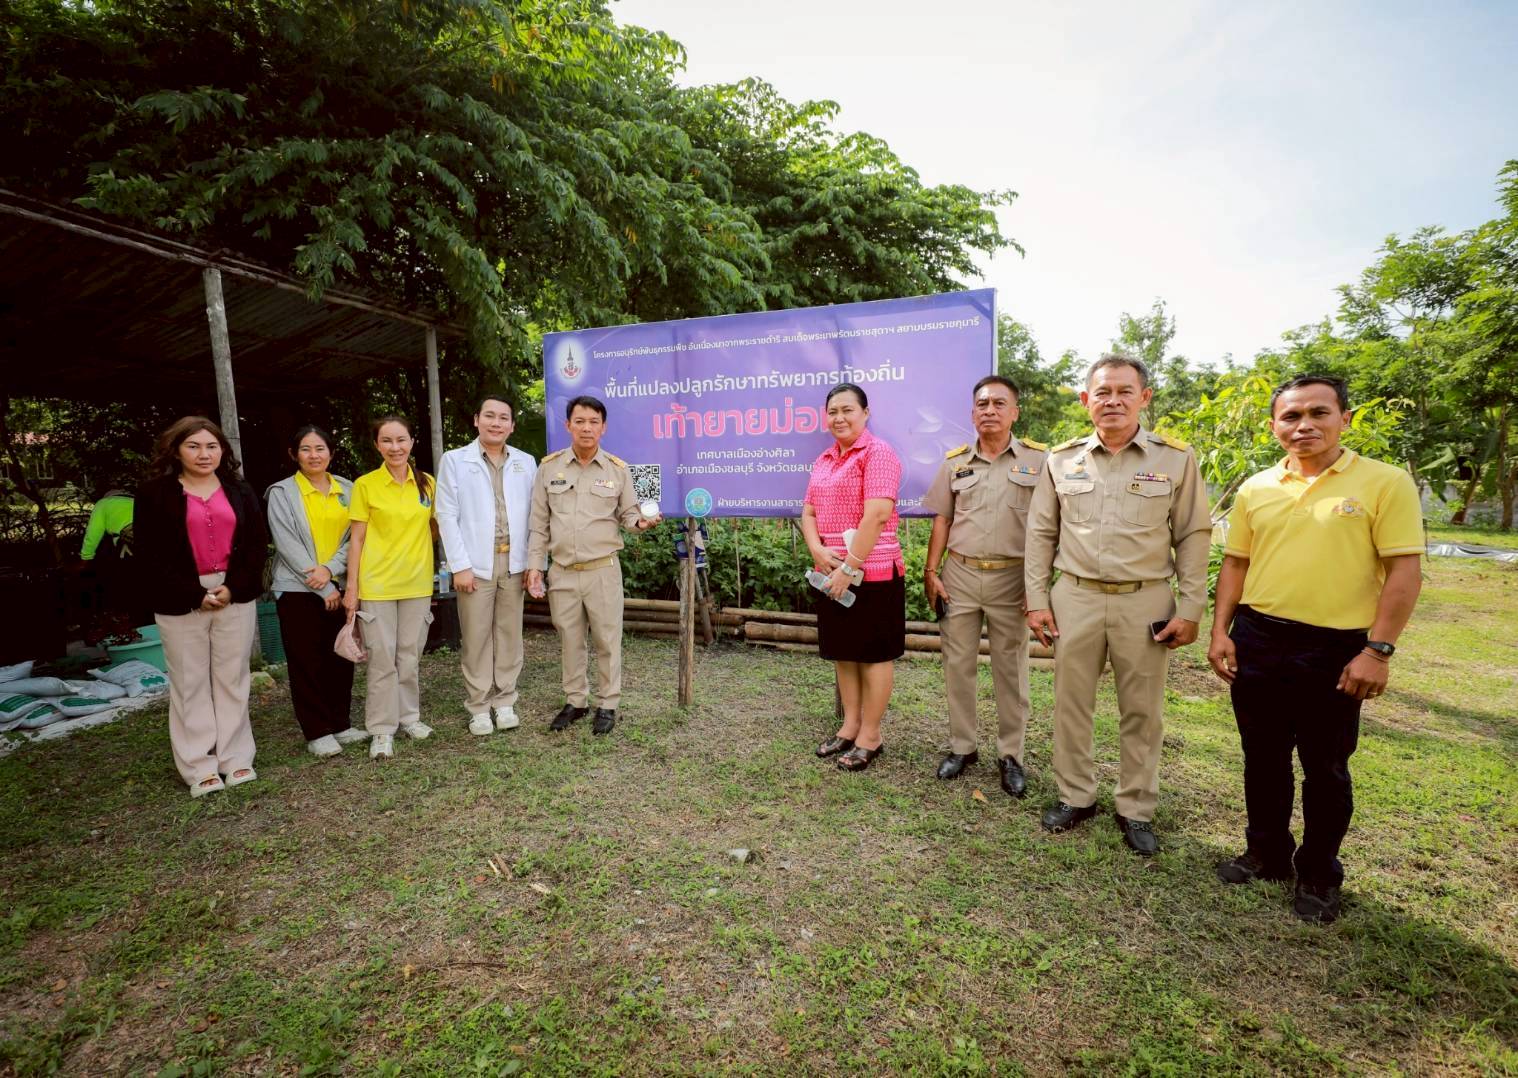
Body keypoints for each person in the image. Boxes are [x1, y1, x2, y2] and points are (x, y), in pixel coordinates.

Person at [1208, 375, 1423, 923]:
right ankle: (1266, 854)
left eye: (1318, 413)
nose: (1304, 425)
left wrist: (1377, 650)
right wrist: (1221, 631)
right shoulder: (1258, 487)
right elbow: (1236, 564)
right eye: (1291, 416)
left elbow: (1404, 569)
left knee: (1325, 767)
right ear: (1274, 425)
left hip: (1336, 648)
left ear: (1344, 419)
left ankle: (1320, 873)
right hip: (1259, 636)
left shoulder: (1384, 482)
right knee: (1262, 755)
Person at [1024, 355, 1210, 854]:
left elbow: (1193, 533)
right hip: (1075, 596)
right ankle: (1075, 795)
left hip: (1144, 598)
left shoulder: (1174, 459)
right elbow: (1041, 531)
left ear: (1144, 398)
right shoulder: (1061, 459)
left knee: (1142, 711)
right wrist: (1036, 600)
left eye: (1125, 391)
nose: (1113, 401)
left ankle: (1135, 807)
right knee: (1071, 704)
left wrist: (1190, 608)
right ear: (1086, 400)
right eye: (1102, 392)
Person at [923, 375, 1047, 794]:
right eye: (982, 404)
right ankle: (963, 746)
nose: (989, 410)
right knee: (957, 664)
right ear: (972, 412)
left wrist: (1038, 587)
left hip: (1013, 579)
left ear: (1015, 412)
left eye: (998, 403)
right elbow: (943, 518)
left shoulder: (1040, 462)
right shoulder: (955, 462)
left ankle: (1011, 754)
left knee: (1010, 669)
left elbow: (1051, 528)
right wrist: (931, 571)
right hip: (959, 573)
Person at [133, 417, 266, 798]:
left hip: (232, 592)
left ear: (223, 450)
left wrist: (232, 587)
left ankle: (236, 758)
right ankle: (199, 766)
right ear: (176, 450)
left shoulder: (239, 491)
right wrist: (194, 593)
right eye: (194, 446)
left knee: (231, 677)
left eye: (211, 446)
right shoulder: (154, 493)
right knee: (190, 682)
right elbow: (150, 554)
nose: (204, 454)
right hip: (181, 597)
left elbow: (256, 545)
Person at [525, 395, 660, 736]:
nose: (587, 427)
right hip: (563, 572)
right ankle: (576, 701)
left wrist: (641, 524)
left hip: (602, 571)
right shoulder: (549, 469)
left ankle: (608, 703)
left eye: (593, 422)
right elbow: (538, 523)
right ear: (568, 425)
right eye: (580, 421)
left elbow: (629, 515)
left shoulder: (618, 469)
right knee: (570, 639)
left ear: (604, 427)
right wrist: (534, 567)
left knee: (606, 640)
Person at [800, 382, 905, 773]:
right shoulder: (825, 458)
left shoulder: (879, 454)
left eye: (847, 410)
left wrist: (850, 566)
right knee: (845, 651)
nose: (839, 418)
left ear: (865, 413)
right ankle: (849, 726)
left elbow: (876, 515)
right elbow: (808, 511)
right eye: (833, 411)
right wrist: (816, 549)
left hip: (873, 573)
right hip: (830, 573)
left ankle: (871, 735)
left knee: (874, 655)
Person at [436, 394, 538, 736]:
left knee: (509, 634)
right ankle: (479, 706)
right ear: (476, 420)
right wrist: (459, 565)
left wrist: (534, 563)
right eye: (490, 416)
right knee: (477, 636)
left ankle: (505, 700)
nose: (496, 423)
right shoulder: (454, 460)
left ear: (512, 425)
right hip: (475, 564)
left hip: (514, 561)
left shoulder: (526, 461)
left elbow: (537, 516)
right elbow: (446, 514)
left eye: (504, 417)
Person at [265, 425, 366, 757]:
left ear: (331, 453)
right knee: (306, 660)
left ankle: (341, 723)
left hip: (338, 583)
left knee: (340, 656)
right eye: (306, 449)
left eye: (320, 448)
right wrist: (322, 586)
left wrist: (331, 571)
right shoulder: (281, 493)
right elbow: (287, 545)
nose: (314, 455)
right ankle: (317, 730)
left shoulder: (349, 490)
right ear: (294, 454)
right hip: (297, 590)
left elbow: (355, 538)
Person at [343, 416, 437, 759]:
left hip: (417, 584)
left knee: (409, 654)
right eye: (387, 441)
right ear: (377, 445)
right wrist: (352, 589)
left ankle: (409, 717)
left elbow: (437, 527)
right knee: (382, 659)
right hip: (378, 585)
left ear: (412, 441)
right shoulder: (365, 485)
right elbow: (357, 539)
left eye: (401, 440)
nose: (395, 447)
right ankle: (382, 729)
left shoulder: (426, 483)